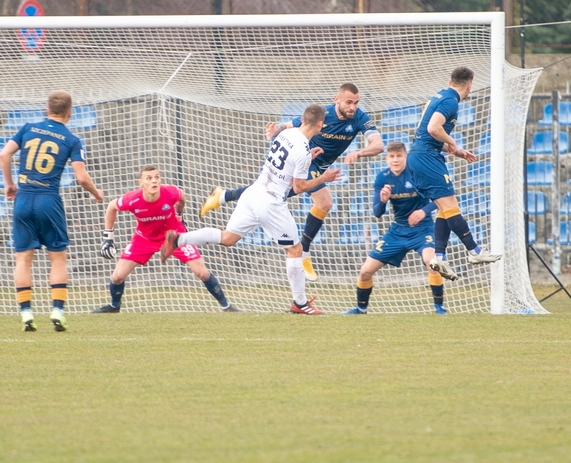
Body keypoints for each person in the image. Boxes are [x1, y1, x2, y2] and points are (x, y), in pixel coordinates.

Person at [162, 104, 342, 314]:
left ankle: (178, 239)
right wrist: (324, 177)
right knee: (295, 250)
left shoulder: (288, 133)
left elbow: (288, 161)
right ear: (320, 124)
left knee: (228, 238)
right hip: (271, 202)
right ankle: (300, 304)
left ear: (302, 119)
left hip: (253, 192)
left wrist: (308, 156)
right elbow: (299, 187)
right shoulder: (302, 149)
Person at [200, 83, 383, 282]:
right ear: (336, 99)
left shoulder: (359, 118)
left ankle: (223, 195)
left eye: (356, 103)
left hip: (315, 165)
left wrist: (359, 152)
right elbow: (291, 125)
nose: (352, 107)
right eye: (349, 102)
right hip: (304, 161)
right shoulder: (323, 115)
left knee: (273, 192)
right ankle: (303, 252)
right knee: (324, 202)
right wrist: (275, 129)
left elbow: (378, 145)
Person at [0, 91, 104, 332]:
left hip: (24, 199)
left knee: (23, 258)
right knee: (57, 257)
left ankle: (26, 313)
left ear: (46, 110)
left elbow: (4, 154)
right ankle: (57, 310)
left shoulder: (27, 128)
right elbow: (80, 177)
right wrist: (96, 193)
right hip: (49, 200)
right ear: (70, 113)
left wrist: (9, 185)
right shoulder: (71, 139)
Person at [92, 166, 239, 313]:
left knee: (202, 273)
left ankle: (226, 306)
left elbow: (181, 197)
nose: (154, 181)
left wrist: (180, 216)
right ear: (141, 182)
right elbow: (112, 206)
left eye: (157, 177)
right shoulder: (132, 199)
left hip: (174, 236)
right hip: (144, 239)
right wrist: (108, 237)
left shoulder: (170, 192)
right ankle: (114, 306)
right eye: (149, 178)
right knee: (117, 277)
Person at [406, 66, 501, 282]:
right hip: (427, 158)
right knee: (451, 207)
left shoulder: (441, 95)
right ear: (470, 85)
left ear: (450, 80)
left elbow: (426, 134)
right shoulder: (451, 101)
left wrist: (455, 151)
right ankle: (474, 251)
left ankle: (439, 256)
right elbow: (433, 128)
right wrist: (451, 141)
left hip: (422, 156)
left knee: (445, 208)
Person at [344, 142, 447, 315]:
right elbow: (377, 213)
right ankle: (361, 309)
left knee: (432, 263)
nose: (395, 160)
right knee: (365, 272)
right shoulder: (382, 178)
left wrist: (423, 211)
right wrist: (383, 200)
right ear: (386, 159)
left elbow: (441, 197)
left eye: (399, 156)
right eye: (392, 156)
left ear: (405, 157)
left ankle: (439, 308)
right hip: (397, 231)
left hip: (423, 229)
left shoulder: (418, 173)